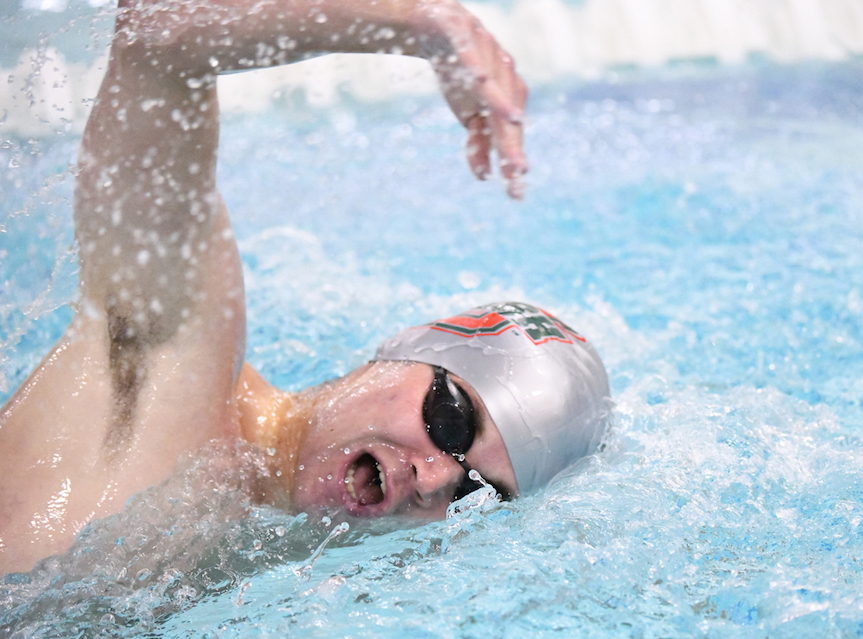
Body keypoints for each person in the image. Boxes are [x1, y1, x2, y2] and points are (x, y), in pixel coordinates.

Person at [0, 0, 611, 576]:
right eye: (451, 421)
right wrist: (423, 23)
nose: (433, 480)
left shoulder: (269, 563)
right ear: (400, 352)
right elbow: (158, 37)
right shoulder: (170, 366)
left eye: (472, 491)